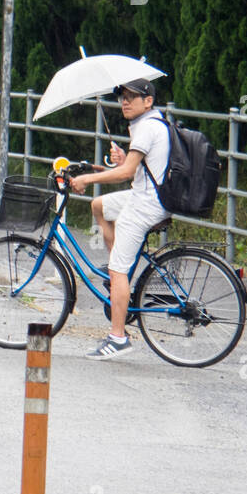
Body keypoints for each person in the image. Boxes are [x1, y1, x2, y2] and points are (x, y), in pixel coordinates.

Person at [68, 78, 171, 359]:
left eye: (132, 97)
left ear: (148, 101)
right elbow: (136, 168)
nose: (125, 101)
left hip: (147, 205)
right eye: (122, 96)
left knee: (118, 271)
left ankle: (118, 338)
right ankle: (118, 270)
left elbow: (126, 175)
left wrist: (88, 177)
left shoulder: (148, 127)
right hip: (147, 197)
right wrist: (124, 157)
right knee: (99, 205)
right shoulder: (149, 124)